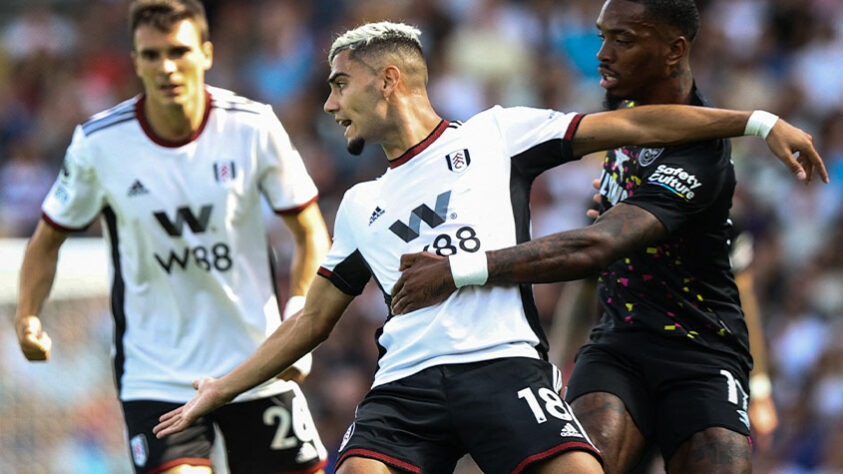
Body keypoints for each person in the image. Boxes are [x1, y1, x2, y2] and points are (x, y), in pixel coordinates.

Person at [152, 21, 824, 474]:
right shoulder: (359, 206)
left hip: (502, 371)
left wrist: (755, 121)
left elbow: (638, 121)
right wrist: (223, 387)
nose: (328, 103)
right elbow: (310, 320)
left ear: (387, 79)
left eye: (338, 83)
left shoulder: (497, 136)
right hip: (402, 394)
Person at [389, 1, 827, 473]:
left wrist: (459, 270)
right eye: (602, 36)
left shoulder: (700, 159)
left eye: (623, 40)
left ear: (674, 50)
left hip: (702, 352)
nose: (602, 53)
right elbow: (592, 269)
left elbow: (598, 245)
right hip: (618, 348)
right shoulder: (620, 116)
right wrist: (553, 362)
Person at [14, 1, 331, 473]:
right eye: (151, 54)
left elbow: (310, 231)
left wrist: (298, 318)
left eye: (178, 51)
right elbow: (46, 241)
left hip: (256, 363)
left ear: (205, 53)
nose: (166, 66)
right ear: (136, 61)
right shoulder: (100, 144)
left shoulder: (253, 126)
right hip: (156, 374)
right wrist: (27, 318)